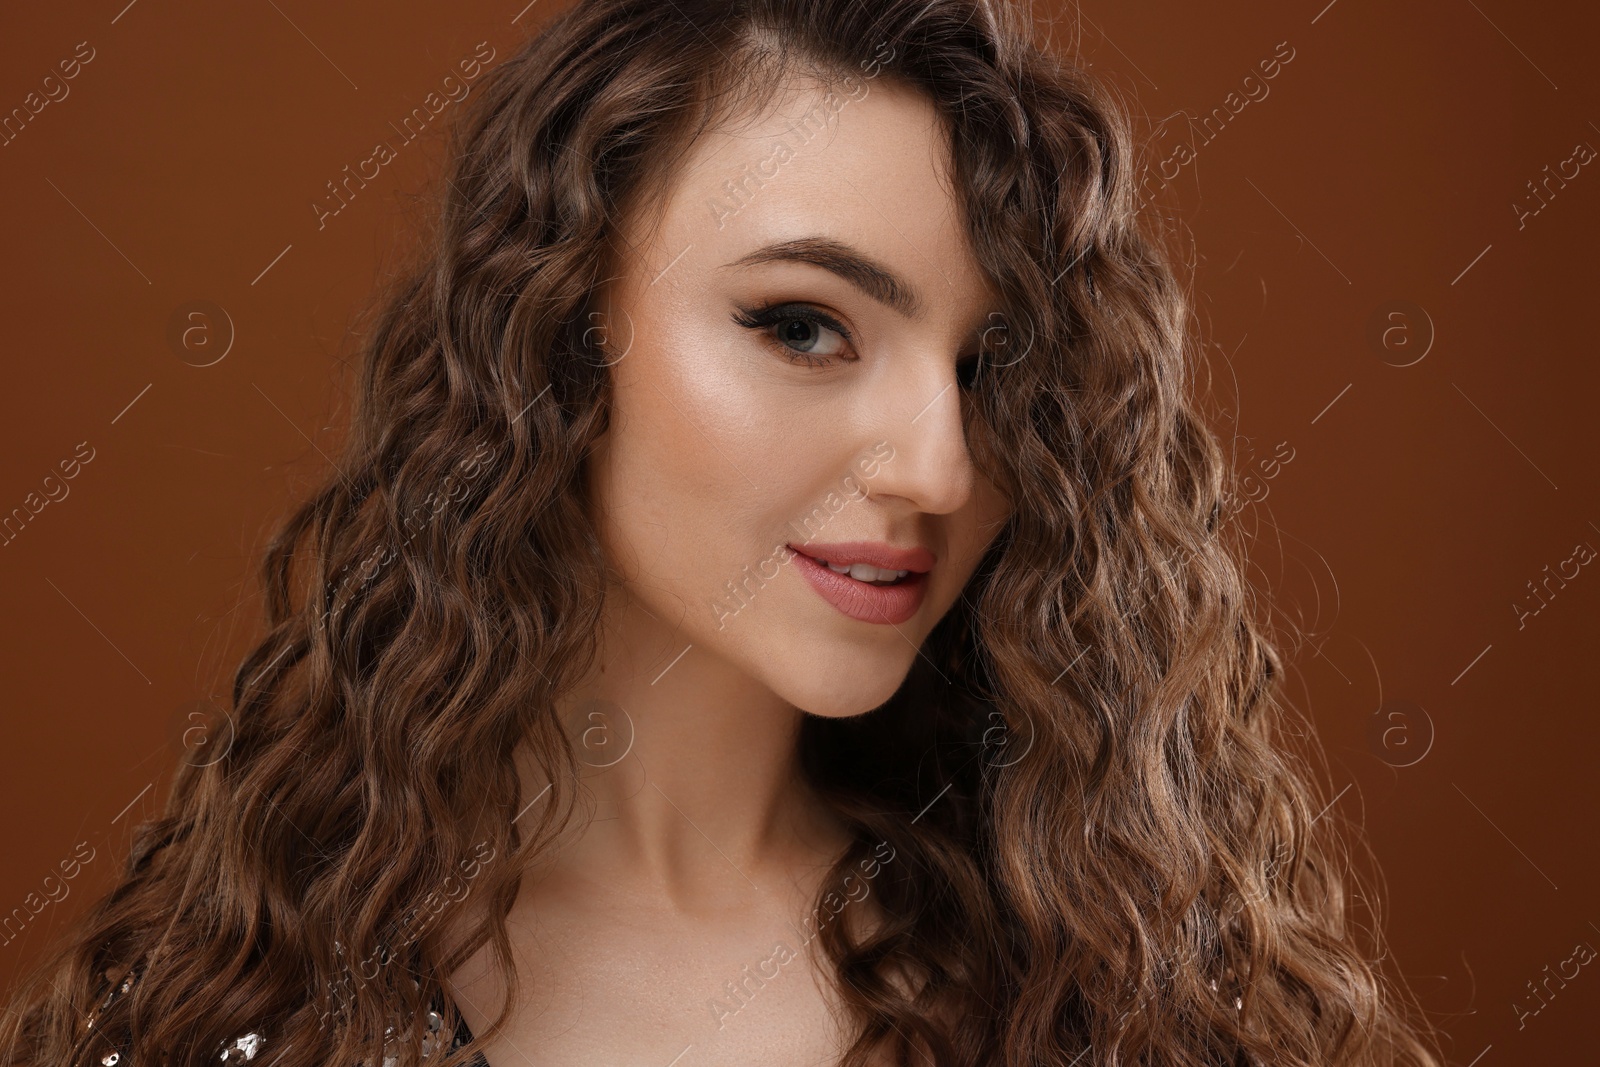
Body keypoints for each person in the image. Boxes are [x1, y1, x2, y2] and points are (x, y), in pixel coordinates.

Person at [0, 0, 1447, 1064]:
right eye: (804, 325)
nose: (941, 468)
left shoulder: (1123, 995)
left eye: (992, 369)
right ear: (561, 337)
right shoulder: (244, 1001)